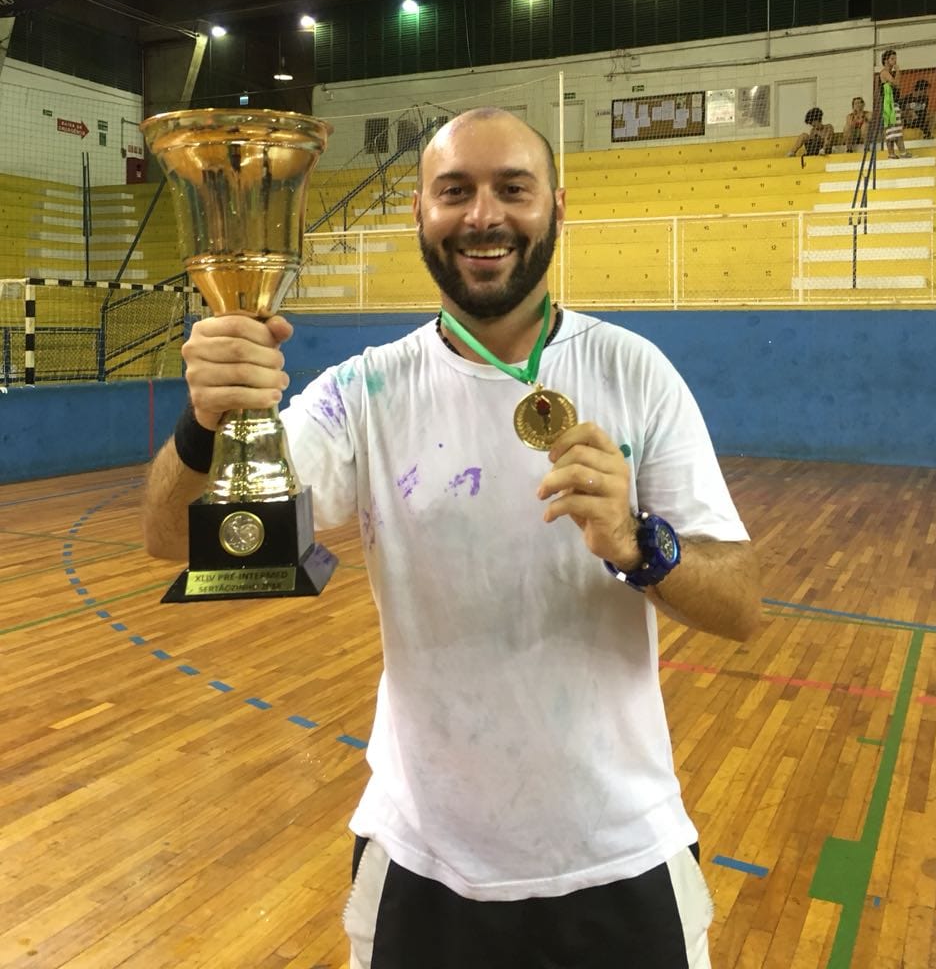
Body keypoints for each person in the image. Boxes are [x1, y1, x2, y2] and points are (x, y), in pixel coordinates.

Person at [141, 108, 760, 969]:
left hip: (621, 857)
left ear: (557, 207)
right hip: (423, 863)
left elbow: (741, 603)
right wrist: (205, 423)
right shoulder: (361, 392)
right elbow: (176, 541)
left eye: (513, 188)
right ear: (419, 217)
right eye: (454, 191)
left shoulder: (634, 371)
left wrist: (637, 541)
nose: (483, 216)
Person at [878, 48, 911, 159]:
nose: (895, 61)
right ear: (886, 60)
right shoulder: (884, 72)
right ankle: (896, 153)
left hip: (893, 103)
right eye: (892, 58)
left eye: (895, 58)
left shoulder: (889, 73)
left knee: (894, 129)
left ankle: (898, 152)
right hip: (889, 105)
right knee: (892, 129)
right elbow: (896, 83)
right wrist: (898, 71)